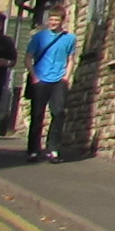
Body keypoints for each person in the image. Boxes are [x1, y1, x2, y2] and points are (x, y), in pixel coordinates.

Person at [22, 9, 74, 160]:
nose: (53, 22)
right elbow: (28, 58)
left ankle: (53, 149)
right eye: (51, 19)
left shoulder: (69, 38)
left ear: (62, 21)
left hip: (58, 80)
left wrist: (66, 77)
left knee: (58, 113)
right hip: (41, 79)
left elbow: (70, 59)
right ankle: (33, 150)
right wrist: (34, 77)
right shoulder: (39, 37)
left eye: (56, 20)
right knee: (37, 115)